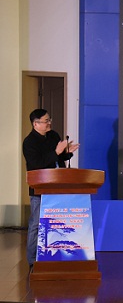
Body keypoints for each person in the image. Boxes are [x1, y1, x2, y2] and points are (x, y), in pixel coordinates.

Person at [22, 109, 79, 270]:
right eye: (46, 121)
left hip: (58, 186)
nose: (49, 123)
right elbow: (37, 164)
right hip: (40, 188)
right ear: (35, 124)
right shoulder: (29, 142)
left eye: (49, 120)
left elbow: (58, 158)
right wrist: (57, 151)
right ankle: (32, 260)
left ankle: (56, 255)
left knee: (57, 223)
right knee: (36, 224)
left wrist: (67, 153)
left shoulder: (53, 136)